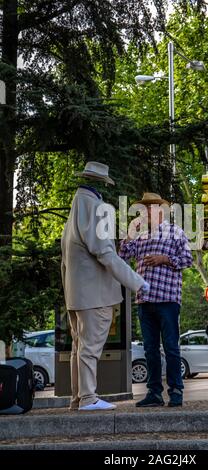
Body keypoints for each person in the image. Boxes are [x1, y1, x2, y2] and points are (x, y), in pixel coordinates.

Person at [61, 161, 149, 411]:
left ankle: (78, 398)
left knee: (79, 348)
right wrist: (137, 282)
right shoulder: (99, 209)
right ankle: (88, 398)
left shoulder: (75, 211)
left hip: (75, 294)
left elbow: (66, 262)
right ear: (102, 186)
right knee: (89, 349)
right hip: (95, 295)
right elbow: (106, 254)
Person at [119, 192, 193, 407]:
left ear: (161, 211)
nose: (146, 211)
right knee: (150, 349)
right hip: (144, 300)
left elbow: (187, 259)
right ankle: (154, 393)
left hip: (168, 299)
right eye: (144, 208)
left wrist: (164, 259)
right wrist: (130, 233)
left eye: (150, 207)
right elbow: (122, 258)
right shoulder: (140, 235)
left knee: (171, 346)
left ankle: (176, 391)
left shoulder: (176, 232)